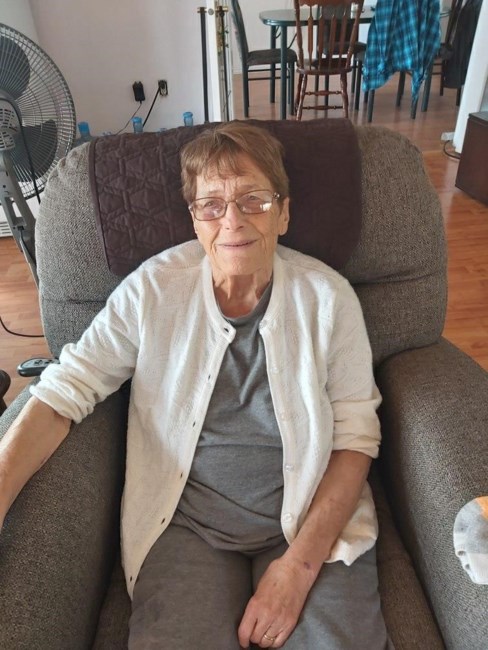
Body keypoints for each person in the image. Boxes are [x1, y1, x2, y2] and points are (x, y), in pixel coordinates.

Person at [0, 122, 392, 649]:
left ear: (283, 212)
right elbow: (63, 392)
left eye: (253, 200)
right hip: (186, 527)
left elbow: (355, 439)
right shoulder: (152, 289)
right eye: (211, 205)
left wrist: (299, 568)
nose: (232, 220)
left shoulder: (329, 299)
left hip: (312, 524)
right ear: (194, 219)